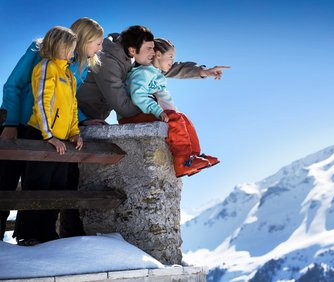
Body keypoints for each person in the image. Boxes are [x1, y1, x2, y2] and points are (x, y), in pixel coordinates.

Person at [0, 17, 104, 241]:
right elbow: (13, 85)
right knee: (5, 183)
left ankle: (40, 236)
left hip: (47, 131)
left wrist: (81, 122)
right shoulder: (41, 52)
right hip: (19, 123)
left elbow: (68, 100)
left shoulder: (76, 66)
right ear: (84, 40)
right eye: (97, 42)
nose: (100, 48)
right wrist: (9, 123)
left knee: (44, 183)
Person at [13, 26, 83, 246]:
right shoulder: (46, 67)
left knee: (57, 186)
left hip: (61, 141)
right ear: (60, 46)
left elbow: (72, 106)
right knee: (37, 185)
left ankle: (47, 233)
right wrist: (48, 136)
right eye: (71, 48)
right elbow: (42, 102)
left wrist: (75, 133)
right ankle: (27, 234)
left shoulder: (69, 75)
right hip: (41, 137)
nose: (73, 52)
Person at [76, 25, 230, 121]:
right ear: (132, 50)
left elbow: (161, 67)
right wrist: (154, 107)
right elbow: (124, 107)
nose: (153, 54)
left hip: (95, 117)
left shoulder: (132, 55)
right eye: (149, 49)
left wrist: (202, 71)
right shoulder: (107, 63)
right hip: (80, 116)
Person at [120, 38, 221, 177]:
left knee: (182, 118)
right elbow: (138, 96)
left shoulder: (159, 76)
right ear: (158, 55)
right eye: (170, 57)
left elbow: (166, 100)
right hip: (133, 114)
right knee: (174, 118)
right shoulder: (142, 72)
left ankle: (193, 157)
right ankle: (182, 161)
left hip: (148, 113)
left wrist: (174, 114)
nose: (172, 61)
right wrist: (159, 111)